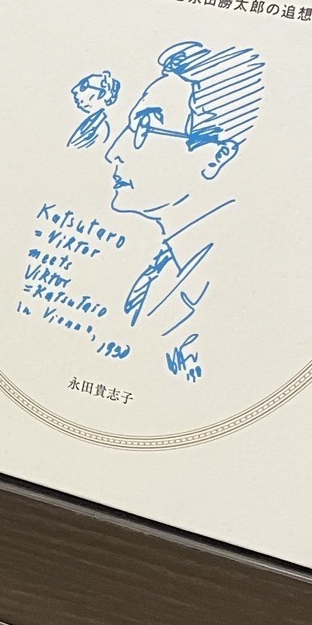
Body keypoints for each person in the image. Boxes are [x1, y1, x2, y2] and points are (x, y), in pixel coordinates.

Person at [100, 39, 263, 377]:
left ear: (216, 155)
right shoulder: (168, 263)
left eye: (144, 128)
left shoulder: (232, 286)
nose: (114, 151)